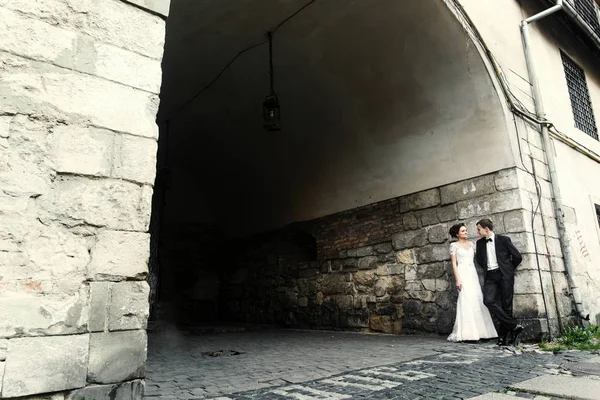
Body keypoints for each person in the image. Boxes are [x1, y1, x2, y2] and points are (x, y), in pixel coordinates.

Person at [475, 218, 523, 346]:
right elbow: (479, 260)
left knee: (506, 305)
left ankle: (503, 338)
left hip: (504, 275)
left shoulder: (504, 240)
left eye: (479, 229)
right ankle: (514, 325)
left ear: (486, 229)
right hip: (490, 276)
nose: (478, 232)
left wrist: (507, 269)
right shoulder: (479, 244)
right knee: (488, 300)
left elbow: (517, 257)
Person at [447, 223, 497, 342]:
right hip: (462, 272)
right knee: (466, 299)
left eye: (466, 230)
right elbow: (454, 264)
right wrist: (457, 279)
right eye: (463, 231)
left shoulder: (472, 244)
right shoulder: (453, 245)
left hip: (472, 273)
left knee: (477, 299)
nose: (466, 232)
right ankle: (468, 334)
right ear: (457, 234)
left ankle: (483, 333)